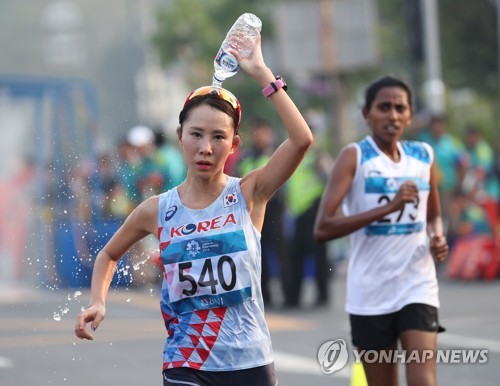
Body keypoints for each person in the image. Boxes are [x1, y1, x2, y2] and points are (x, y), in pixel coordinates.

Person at [74, 31, 313, 386]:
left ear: (234, 144)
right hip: (186, 362)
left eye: (219, 137)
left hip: (249, 361)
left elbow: (302, 140)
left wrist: (262, 72)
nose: (206, 147)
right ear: (180, 136)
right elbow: (109, 254)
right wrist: (98, 300)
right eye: (196, 134)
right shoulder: (156, 210)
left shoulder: (249, 193)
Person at [313, 75, 449, 386]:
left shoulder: (423, 156)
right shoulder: (355, 157)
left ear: (410, 115)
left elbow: (433, 217)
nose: (392, 115)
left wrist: (437, 238)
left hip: (417, 284)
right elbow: (322, 228)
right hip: (370, 292)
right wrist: (387, 209)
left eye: (400, 108)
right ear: (367, 114)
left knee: (423, 382)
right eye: (383, 107)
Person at [237, 118, 287, 306]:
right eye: (257, 132)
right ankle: (263, 294)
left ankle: (289, 294)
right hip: (251, 211)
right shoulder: (247, 156)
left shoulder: (275, 154)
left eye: (264, 132)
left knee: (282, 254)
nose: (260, 136)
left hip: (274, 209)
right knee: (257, 255)